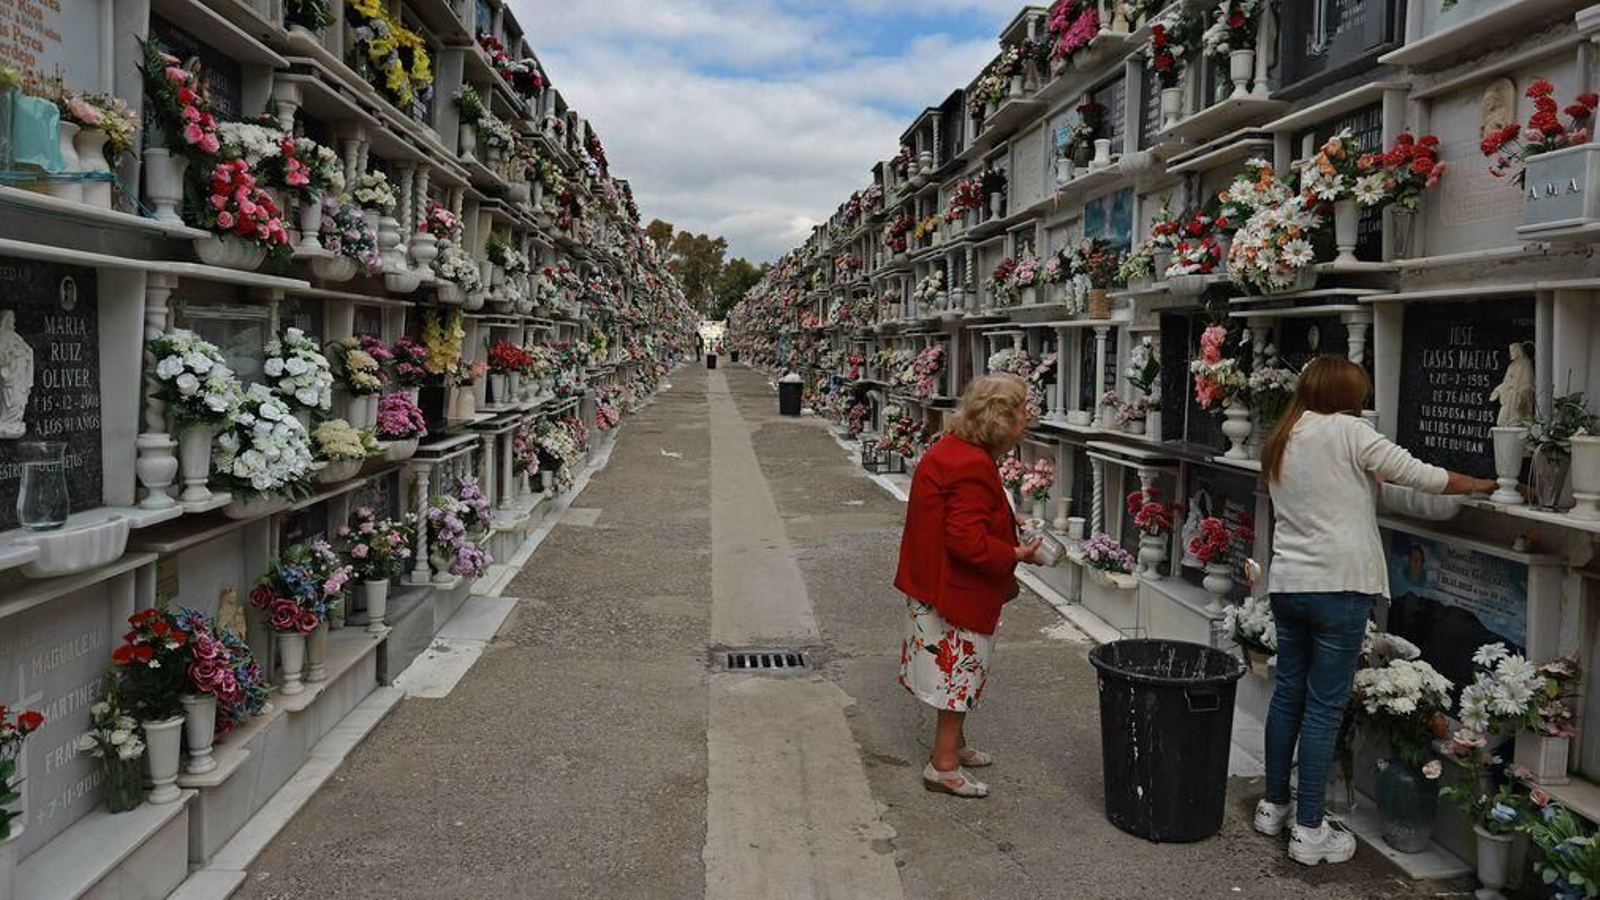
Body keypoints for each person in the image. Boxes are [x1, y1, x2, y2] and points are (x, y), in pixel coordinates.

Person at [1254, 357, 1496, 865]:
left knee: (1288, 696)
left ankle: (1273, 807)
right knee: (1324, 708)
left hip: (1290, 585)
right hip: (1339, 586)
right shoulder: (1351, 431)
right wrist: (1481, 484)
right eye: (1360, 393)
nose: (1363, 401)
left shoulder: (1284, 435)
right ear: (1346, 395)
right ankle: (1309, 830)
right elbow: (1420, 475)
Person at [893, 374, 1043, 799]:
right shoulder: (972, 464)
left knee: (953, 673)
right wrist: (1017, 553)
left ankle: (953, 744)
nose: (1028, 416)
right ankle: (943, 766)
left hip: (931, 582)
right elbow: (966, 542)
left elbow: (963, 516)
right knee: (959, 673)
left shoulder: (953, 448)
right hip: (953, 590)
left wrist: (1008, 522)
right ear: (999, 419)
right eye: (1021, 410)